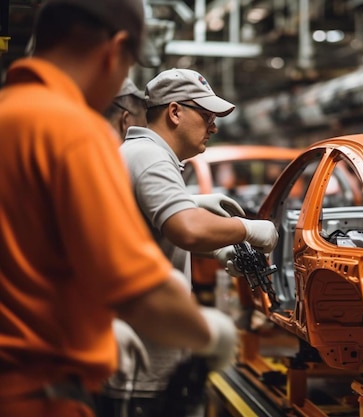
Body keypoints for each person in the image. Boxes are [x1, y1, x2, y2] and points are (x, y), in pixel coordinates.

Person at [0, 1, 233, 417]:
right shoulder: (72, 131)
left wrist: (93, 323)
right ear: (115, 50)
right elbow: (138, 291)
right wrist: (208, 334)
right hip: (39, 395)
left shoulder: (11, 115)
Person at [106, 68, 279, 417]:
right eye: (207, 116)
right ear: (174, 112)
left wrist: (215, 246)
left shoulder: (136, 153)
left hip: (130, 346)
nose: (213, 127)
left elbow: (150, 233)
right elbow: (186, 229)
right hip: (144, 360)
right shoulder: (151, 158)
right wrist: (246, 229)